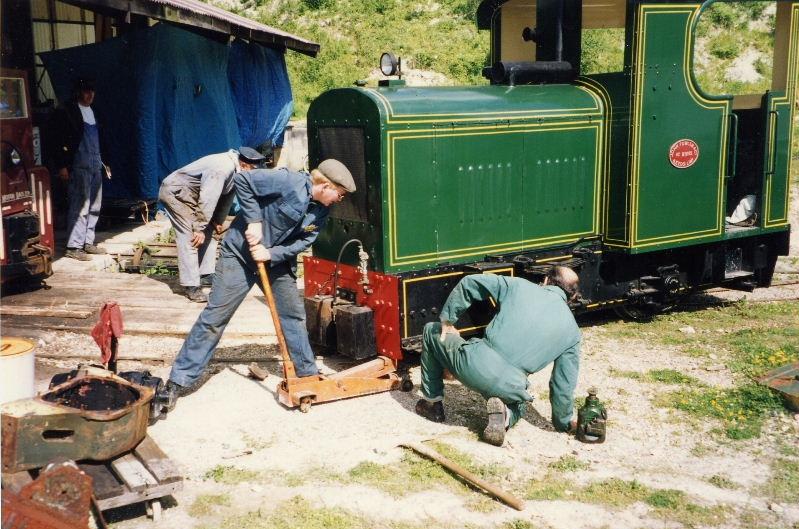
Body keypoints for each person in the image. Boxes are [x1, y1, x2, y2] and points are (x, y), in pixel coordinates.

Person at [161, 159, 356, 409]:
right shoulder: (288, 181)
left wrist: (272, 254)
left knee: (293, 316)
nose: (339, 199)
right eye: (339, 194)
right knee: (215, 316)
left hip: (274, 263)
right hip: (239, 256)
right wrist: (253, 220)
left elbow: (305, 240)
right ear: (326, 185)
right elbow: (243, 180)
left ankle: (307, 375)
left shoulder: (321, 210)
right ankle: (178, 381)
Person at [415, 267, 581, 446]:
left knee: (431, 330)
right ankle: (506, 416)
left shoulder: (519, 285)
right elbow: (563, 384)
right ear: (571, 296)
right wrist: (563, 423)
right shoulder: (573, 332)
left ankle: (433, 405)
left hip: (472, 365)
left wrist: (448, 319)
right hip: (511, 386)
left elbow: (471, 282)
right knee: (520, 404)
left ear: (547, 280)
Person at [158, 147, 266, 302]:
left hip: (192, 196)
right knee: (190, 236)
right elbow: (209, 197)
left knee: (210, 230)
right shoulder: (221, 169)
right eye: (253, 170)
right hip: (176, 194)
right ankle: (191, 286)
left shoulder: (237, 171)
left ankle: (206, 274)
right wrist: (200, 228)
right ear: (244, 164)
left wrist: (217, 220)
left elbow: (227, 196)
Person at [52, 78, 111, 261]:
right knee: (80, 205)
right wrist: (62, 165)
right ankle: (73, 246)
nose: (90, 95)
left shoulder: (95, 112)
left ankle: (88, 242)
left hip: (96, 164)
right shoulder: (67, 112)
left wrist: (106, 162)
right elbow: (56, 139)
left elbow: (103, 139)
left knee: (94, 205)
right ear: (78, 92)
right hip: (79, 165)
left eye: (92, 91)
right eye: (86, 91)